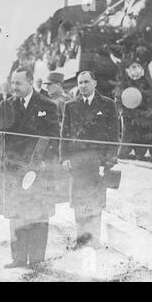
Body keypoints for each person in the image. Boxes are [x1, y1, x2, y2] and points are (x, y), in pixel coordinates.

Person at [0, 67, 60, 269]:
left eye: (18, 83)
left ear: (30, 82)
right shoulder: (6, 104)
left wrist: (43, 161)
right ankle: (19, 258)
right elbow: (0, 130)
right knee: (16, 214)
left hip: (38, 168)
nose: (14, 87)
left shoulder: (47, 105)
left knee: (38, 214)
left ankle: (38, 259)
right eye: (13, 83)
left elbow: (55, 136)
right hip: (14, 169)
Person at [61, 71, 119, 249]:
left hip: (98, 162)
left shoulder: (108, 105)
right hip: (77, 161)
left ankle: (94, 240)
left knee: (95, 201)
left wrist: (109, 159)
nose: (83, 85)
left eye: (86, 82)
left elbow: (114, 133)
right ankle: (81, 239)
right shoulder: (70, 106)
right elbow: (65, 133)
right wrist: (64, 157)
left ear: (94, 83)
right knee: (78, 201)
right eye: (80, 83)